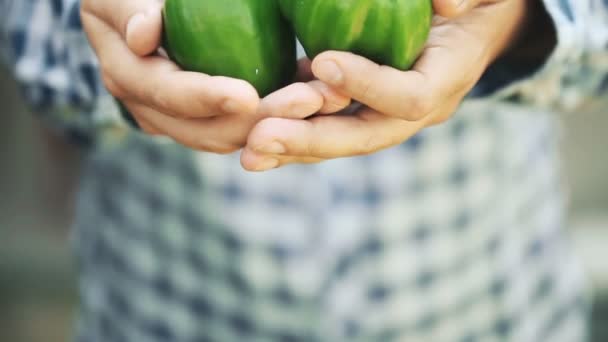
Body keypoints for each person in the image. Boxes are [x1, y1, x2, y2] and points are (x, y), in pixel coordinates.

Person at [2, 0, 607, 340]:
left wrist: (522, 20)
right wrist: (107, 43)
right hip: (175, 310)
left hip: (489, 311)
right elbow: (28, 33)